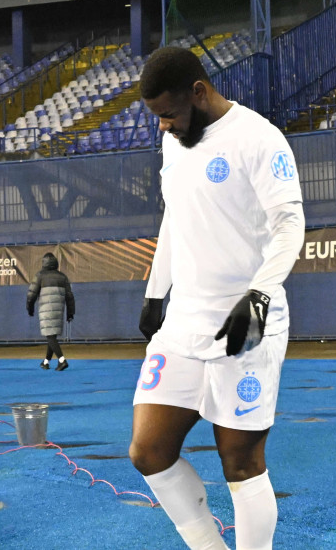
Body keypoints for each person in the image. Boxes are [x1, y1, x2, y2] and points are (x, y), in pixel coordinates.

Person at [129, 47, 304, 550]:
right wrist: (155, 291)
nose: (162, 126)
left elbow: (290, 225)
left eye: (168, 114)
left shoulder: (258, 139)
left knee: (240, 460)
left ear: (199, 94)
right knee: (149, 450)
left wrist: (259, 295)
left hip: (247, 319)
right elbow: (175, 215)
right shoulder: (175, 141)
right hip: (184, 319)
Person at [26, 252, 75, 371]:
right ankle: (46, 362)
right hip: (59, 310)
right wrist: (70, 312)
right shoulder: (63, 277)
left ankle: (62, 360)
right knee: (51, 336)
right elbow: (70, 296)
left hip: (45, 309)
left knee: (50, 336)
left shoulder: (40, 276)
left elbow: (31, 294)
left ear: (44, 263)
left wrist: (30, 307)